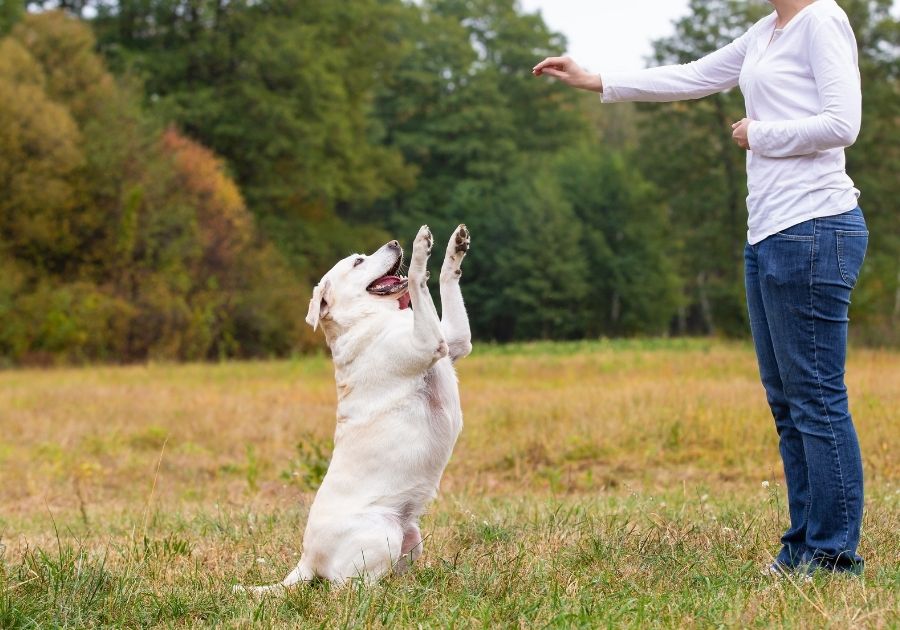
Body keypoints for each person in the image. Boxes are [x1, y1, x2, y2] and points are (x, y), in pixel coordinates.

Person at [533, 0, 867, 576]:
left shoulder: (822, 19)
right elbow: (691, 76)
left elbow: (844, 124)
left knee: (816, 398)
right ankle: (803, 546)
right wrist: (594, 79)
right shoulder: (766, 32)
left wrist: (757, 133)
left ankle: (834, 555)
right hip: (768, 233)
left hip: (814, 228)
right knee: (787, 403)